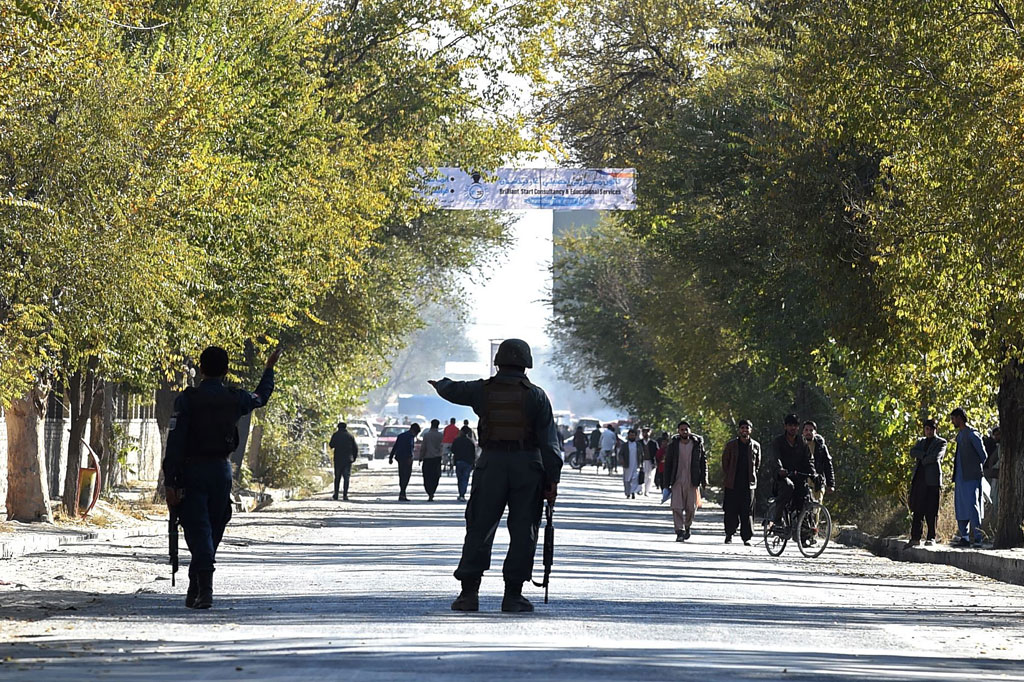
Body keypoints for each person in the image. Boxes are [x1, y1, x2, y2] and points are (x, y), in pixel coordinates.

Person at [428, 338, 561, 613]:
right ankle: (513, 595)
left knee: (479, 527)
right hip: (528, 468)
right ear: (527, 364)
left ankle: (468, 594)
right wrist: (552, 481)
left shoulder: (482, 391)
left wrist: (439, 383)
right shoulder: (536, 395)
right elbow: (550, 442)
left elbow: (453, 390)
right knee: (524, 531)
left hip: (491, 465)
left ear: (498, 362)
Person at [163, 345, 280, 610]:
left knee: (199, 527)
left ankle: (203, 585)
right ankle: (200, 584)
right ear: (226, 371)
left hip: (193, 471)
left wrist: (170, 480)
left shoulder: (188, 399)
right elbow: (261, 396)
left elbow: (175, 441)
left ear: (201, 369)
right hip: (221, 470)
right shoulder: (234, 397)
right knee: (213, 526)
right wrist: (269, 369)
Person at [664, 421, 708, 541]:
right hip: (677, 480)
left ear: (690, 430)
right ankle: (679, 531)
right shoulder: (673, 445)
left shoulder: (697, 444)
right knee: (676, 507)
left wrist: (704, 479)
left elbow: (703, 462)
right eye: (682, 429)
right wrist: (666, 483)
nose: (684, 431)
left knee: (691, 508)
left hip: (692, 481)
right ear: (678, 431)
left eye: (686, 429)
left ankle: (687, 526)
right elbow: (668, 464)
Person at [906, 418, 946, 548]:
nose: (929, 431)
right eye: (927, 429)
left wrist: (922, 457)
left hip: (932, 481)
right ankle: (915, 537)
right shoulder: (920, 442)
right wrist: (924, 455)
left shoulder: (941, 442)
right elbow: (912, 452)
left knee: (931, 510)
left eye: (932, 429)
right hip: (920, 480)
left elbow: (936, 457)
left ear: (936, 429)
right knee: (917, 510)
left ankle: (931, 537)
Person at [770, 414, 816, 527]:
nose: (793, 428)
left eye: (795, 425)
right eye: (790, 425)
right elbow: (775, 458)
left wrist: (813, 474)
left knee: (806, 496)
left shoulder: (802, 442)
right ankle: (777, 519)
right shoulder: (778, 441)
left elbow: (809, 460)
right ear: (785, 426)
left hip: (798, 477)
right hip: (782, 478)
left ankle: (804, 531)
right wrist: (780, 469)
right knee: (788, 486)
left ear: (798, 427)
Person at [950, 407, 987, 547]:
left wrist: (975, 469)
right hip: (960, 477)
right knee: (960, 506)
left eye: (953, 418)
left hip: (971, 476)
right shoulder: (960, 435)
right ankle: (964, 537)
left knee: (973, 506)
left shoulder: (972, 434)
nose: (952, 421)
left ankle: (978, 537)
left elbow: (983, 455)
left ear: (959, 418)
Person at [722, 420, 760, 545]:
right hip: (732, 483)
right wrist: (729, 475)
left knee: (747, 511)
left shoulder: (755, 446)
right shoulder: (731, 445)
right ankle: (729, 534)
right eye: (742, 427)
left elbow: (758, 464)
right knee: (730, 510)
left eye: (747, 428)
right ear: (739, 430)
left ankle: (747, 537)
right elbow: (725, 462)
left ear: (751, 430)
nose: (745, 430)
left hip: (749, 484)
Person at [802, 421, 836, 504]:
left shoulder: (821, 447)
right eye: (806, 430)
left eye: (811, 430)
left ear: (815, 432)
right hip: (803, 482)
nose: (808, 432)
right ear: (802, 432)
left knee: (816, 508)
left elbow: (828, 464)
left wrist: (830, 484)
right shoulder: (798, 445)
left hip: (818, 482)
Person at [388, 423, 421, 501]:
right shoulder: (410, 437)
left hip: (399, 457)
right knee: (406, 476)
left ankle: (402, 493)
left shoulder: (401, 435)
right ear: (414, 431)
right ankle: (403, 492)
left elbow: (395, 446)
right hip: (407, 459)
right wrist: (410, 457)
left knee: (401, 475)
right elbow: (410, 447)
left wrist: (391, 457)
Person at [329, 422, 358, 501]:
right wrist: (354, 458)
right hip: (348, 460)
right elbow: (355, 448)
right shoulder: (350, 436)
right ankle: (345, 495)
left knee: (337, 477)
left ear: (338, 427)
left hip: (338, 459)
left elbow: (331, 445)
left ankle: (336, 494)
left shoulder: (335, 435)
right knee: (346, 478)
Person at [420, 419, 444, 501]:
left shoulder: (427, 435)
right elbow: (441, 447)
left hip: (428, 458)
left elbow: (423, 447)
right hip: (437, 458)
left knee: (427, 476)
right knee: (435, 476)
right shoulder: (440, 435)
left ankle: (429, 491)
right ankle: (432, 491)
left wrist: (421, 457)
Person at [452, 425, 477, 501]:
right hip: (468, 462)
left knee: (460, 478)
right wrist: (473, 463)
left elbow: (453, 450)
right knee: (465, 479)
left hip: (459, 461)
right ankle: (463, 494)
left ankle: (461, 493)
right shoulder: (470, 442)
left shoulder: (457, 440)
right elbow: (473, 453)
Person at [618, 429, 642, 499]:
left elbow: (641, 455)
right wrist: (622, 460)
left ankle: (633, 492)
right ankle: (628, 493)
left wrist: (641, 464)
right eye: (630, 435)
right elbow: (620, 454)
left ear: (635, 436)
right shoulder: (625, 445)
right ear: (628, 436)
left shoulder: (638, 445)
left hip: (636, 465)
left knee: (635, 479)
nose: (632, 437)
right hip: (627, 465)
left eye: (633, 435)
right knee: (627, 480)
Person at [983, 426, 1001, 515]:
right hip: (996, 476)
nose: (997, 437)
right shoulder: (997, 447)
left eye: (999, 434)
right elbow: (991, 461)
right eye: (995, 435)